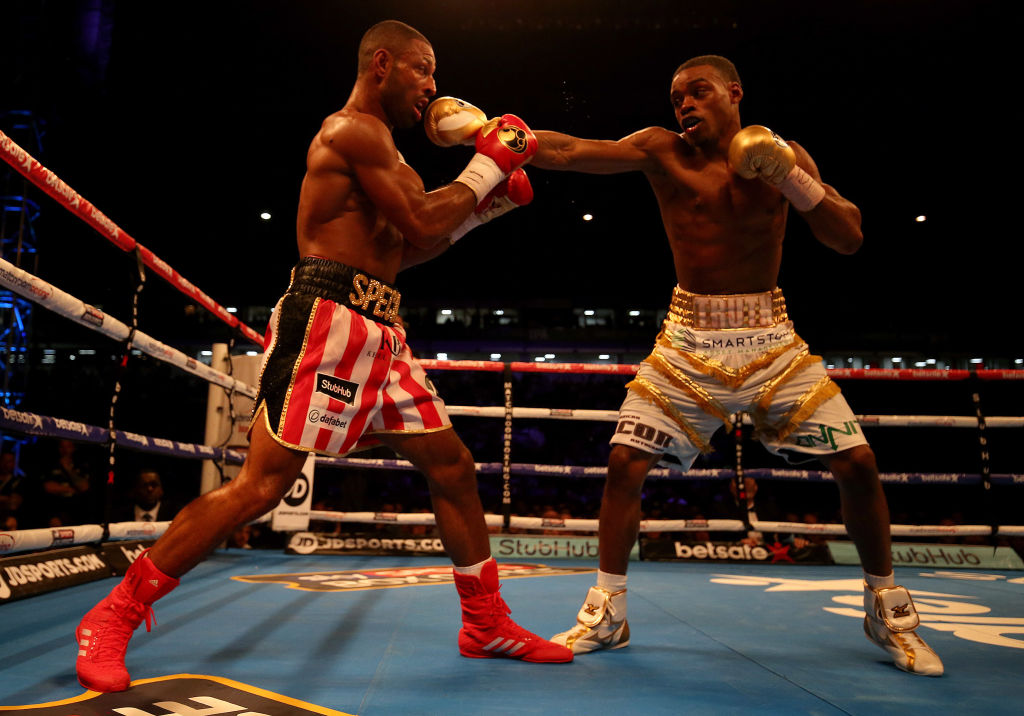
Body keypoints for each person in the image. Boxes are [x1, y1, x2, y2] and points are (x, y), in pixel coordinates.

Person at [74, 20, 571, 694]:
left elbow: (411, 246)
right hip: (327, 319)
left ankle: (484, 622)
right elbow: (426, 221)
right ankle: (114, 611)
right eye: (423, 71)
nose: (432, 88)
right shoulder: (352, 131)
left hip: (381, 327)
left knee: (451, 465)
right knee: (263, 485)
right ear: (383, 64)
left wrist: (485, 210)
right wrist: (486, 169)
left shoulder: (395, 159)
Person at [529, 55, 942, 676]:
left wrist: (790, 178)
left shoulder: (784, 154)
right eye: (676, 99)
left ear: (734, 92)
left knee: (857, 462)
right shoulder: (661, 151)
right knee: (623, 462)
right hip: (689, 335)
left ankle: (887, 607)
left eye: (697, 93)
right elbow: (568, 151)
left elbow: (848, 235)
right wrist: (501, 136)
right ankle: (608, 610)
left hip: (771, 336)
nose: (685, 107)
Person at [113, 469, 178, 523]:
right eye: (144, 485)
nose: (149, 489)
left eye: (154, 485)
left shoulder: (175, 515)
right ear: (135, 489)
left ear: (161, 490)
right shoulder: (120, 515)